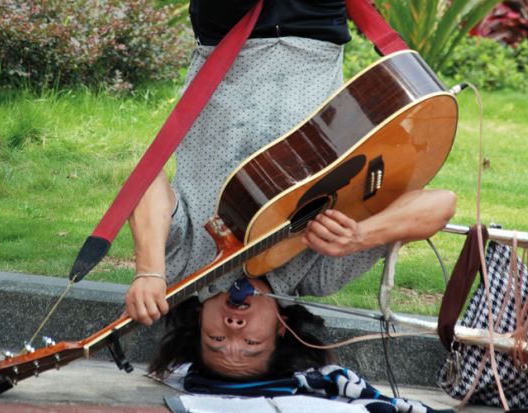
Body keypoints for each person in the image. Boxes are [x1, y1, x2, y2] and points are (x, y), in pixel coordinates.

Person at [124, 0, 457, 381]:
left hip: (230, 32)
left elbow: (146, 180)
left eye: (216, 339)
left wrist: (149, 269)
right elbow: (441, 203)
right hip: (313, 31)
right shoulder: (319, 272)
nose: (234, 329)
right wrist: (362, 236)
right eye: (251, 345)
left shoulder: (182, 265)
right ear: (282, 329)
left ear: (199, 322)